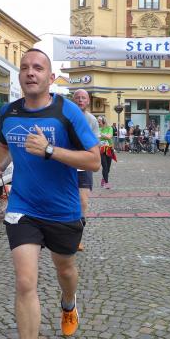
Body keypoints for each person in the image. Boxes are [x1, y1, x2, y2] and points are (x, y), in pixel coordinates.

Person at [0, 49, 100, 339]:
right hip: (23, 207)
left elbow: (94, 161)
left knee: (65, 269)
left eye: (38, 68)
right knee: (25, 281)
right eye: (24, 67)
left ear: (51, 78)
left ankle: (68, 304)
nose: (30, 72)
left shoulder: (67, 112)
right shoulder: (9, 113)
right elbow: (4, 146)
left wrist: (50, 150)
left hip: (63, 210)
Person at [72, 89, 100, 251]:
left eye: (83, 98)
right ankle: (62, 236)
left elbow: (95, 142)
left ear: (88, 101)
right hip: (65, 165)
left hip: (83, 165)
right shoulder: (65, 117)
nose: (80, 100)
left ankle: (77, 239)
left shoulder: (91, 120)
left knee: (82, 202)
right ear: (73, 100)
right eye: (77, 97)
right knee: (65, 201)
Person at [98, 116, 116, 187]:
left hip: (109, 149)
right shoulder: (98, 129)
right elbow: (97, 137)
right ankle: (106, 183)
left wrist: (101, 134)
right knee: (104, 166)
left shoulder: (109, 128)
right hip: (101, 149)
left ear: (103, 121)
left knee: (108, 168)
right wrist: (104, 135)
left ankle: (104, 178)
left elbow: (109, 136)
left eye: (99, 122)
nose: (98, 123)